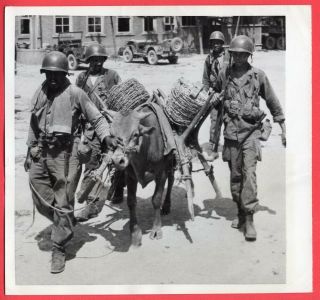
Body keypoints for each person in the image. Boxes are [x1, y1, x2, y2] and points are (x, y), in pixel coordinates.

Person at [24, 51, 116, 274]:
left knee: (63, 200)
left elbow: (97, 118)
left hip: (67, 154)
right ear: (44, 73)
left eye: (57, 74)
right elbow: (33, 122)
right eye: (49, 74)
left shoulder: (76, 93)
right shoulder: (41, 90)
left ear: (66, 74)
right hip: (42, 151)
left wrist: (107, 137)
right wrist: (29, 150)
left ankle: (59, 247)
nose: (53, 78)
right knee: (38, 191)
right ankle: (64, 219)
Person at [212, 35, 286, 241]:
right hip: (231, 135)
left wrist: (283, 126)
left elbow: (272, 101)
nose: (239, 58)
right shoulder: (223, 75)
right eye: (235, 54)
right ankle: (240, 212)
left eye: (243, 55)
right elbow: (214, 105)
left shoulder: (257, 76)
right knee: (236, 177)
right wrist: (212, 138)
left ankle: (250, 218)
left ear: (249, 56)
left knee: (250, 175)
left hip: (251, 133)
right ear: (231, 54)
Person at [75, 43, 125, 222]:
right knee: (91, 164)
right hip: (90, 129)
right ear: (88, 61)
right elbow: (76, 104)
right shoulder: (81, 78)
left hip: (111, 126)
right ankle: (91, 205)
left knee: (116, 161)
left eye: (100, 60)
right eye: (93, 60)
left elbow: (122, 101)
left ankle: (118, 189)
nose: (96, 63)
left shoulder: (112, 76)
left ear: (104, 60)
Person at [202, 31, 228, 161]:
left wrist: (226, 92)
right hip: (215, 93)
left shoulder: (229, 57)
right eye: (214, 42)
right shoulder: (209, 58)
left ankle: (230, 148)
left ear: (222, 44)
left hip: (228, 93)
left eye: (218, 42)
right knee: (214, 122)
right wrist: (208, 93)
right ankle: (213, 148)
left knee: (229, 120)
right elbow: (206, 78)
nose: (216, 45)